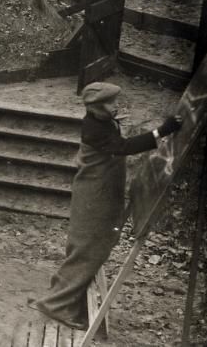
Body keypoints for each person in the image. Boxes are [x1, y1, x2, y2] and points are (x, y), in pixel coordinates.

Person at [30, 82, 183, 330]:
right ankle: (57, 305)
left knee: (86, 247)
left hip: (101, 192)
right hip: (93, 195)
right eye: (111, 103)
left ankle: (59, 295)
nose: (116, 106)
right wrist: (161, 131)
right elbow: (123, 147)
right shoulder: (94, 127)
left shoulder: (102, 121)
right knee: (88, 249)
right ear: (96, 106)